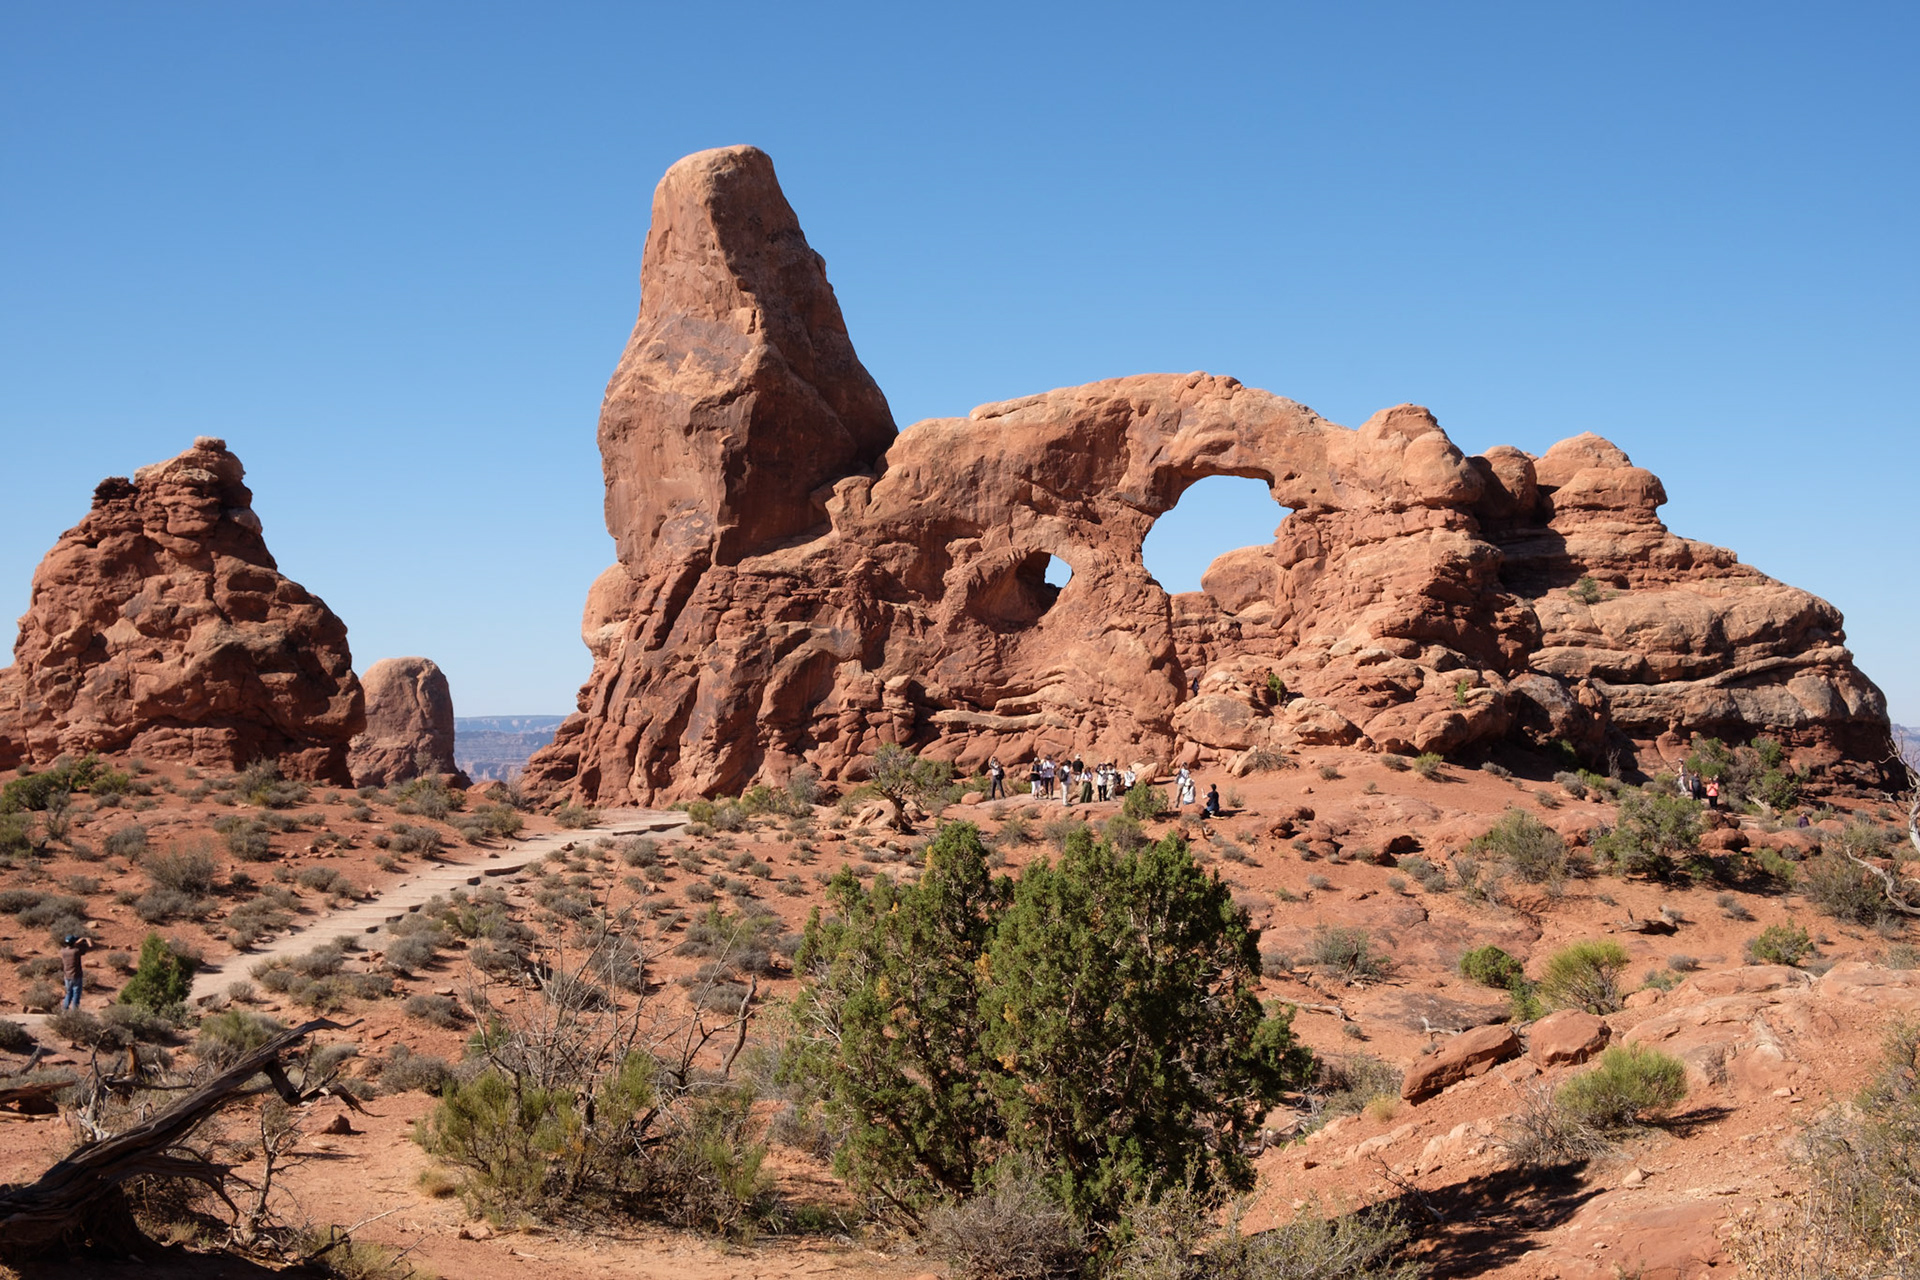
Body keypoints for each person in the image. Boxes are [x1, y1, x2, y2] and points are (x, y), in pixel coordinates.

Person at [59, 934, 90, 1011]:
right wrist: (87, 940)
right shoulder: (76, 951)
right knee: (76, 994)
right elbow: (89, 947)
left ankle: (64, 1010)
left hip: (67, 976)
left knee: (68, 993)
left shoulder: (63, 951)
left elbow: (71, 945)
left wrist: (75, 942)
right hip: (76, 975)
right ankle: (74, 1011)